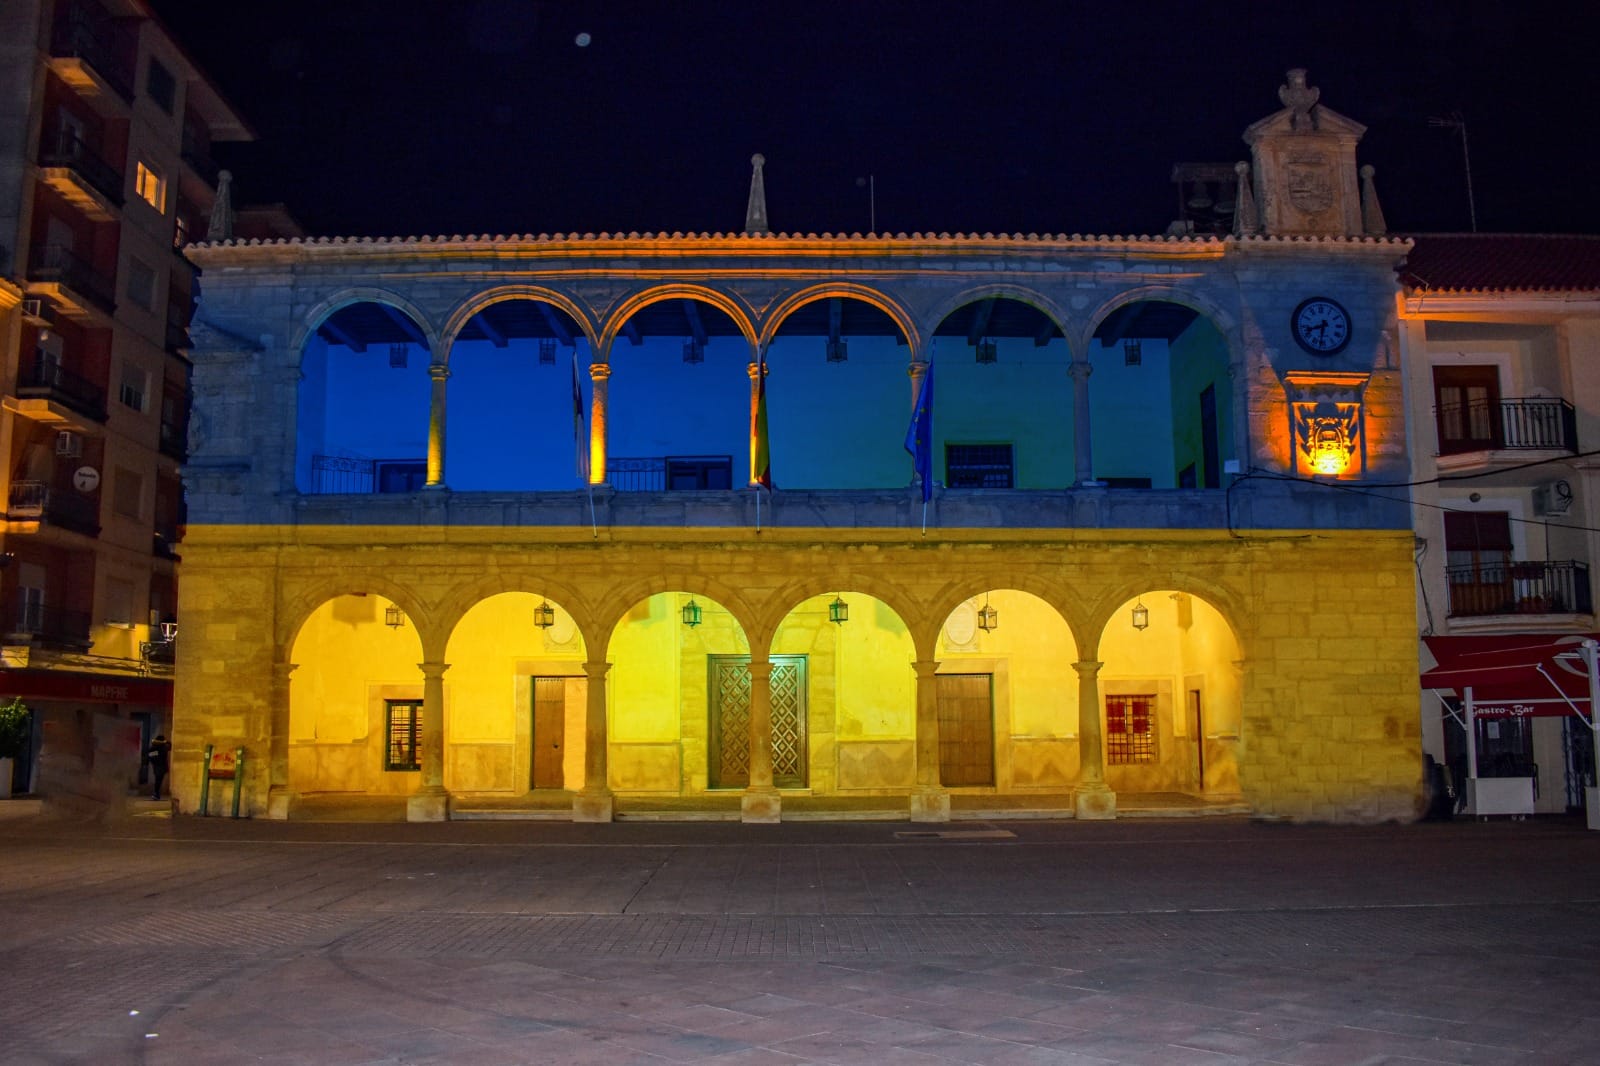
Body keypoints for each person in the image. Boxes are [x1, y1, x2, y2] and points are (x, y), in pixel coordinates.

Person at [147, 734, 171, 801]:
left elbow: (169, 746)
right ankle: (156, 794)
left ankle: (156, 794)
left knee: (158, 781)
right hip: (160, 767)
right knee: (158, 781)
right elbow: (150, 755)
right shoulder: (160, 748)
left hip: (158, 767)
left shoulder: (160, 748)